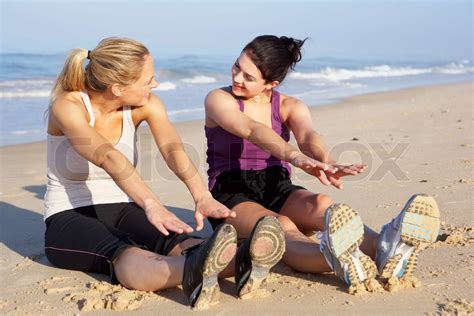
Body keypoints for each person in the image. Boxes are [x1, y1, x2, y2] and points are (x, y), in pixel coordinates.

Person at [43, 37, 285, 309]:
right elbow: (108, 157)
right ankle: (198, 268)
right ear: (118, 87)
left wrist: (201, 195)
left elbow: (173, 151)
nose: (154, 85)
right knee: (123, 252)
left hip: (122, 207)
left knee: (181, 240)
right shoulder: (67, 106)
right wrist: (152, 204)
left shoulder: (146, 104)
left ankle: (235, 259)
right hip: (69, 215)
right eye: (148, 80)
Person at [204, 35, 440, 293]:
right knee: (280, 227)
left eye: (248, 77)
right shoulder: (218, 99)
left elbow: (308, 136)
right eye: (237, 66)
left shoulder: (289, 105)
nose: (237, 77)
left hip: (274, 183)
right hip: (231, 193)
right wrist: (296, 158)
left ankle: (386, 246)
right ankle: (337, 258)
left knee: (323, 204)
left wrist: (326, 161)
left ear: (271, 83)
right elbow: (250, 129)